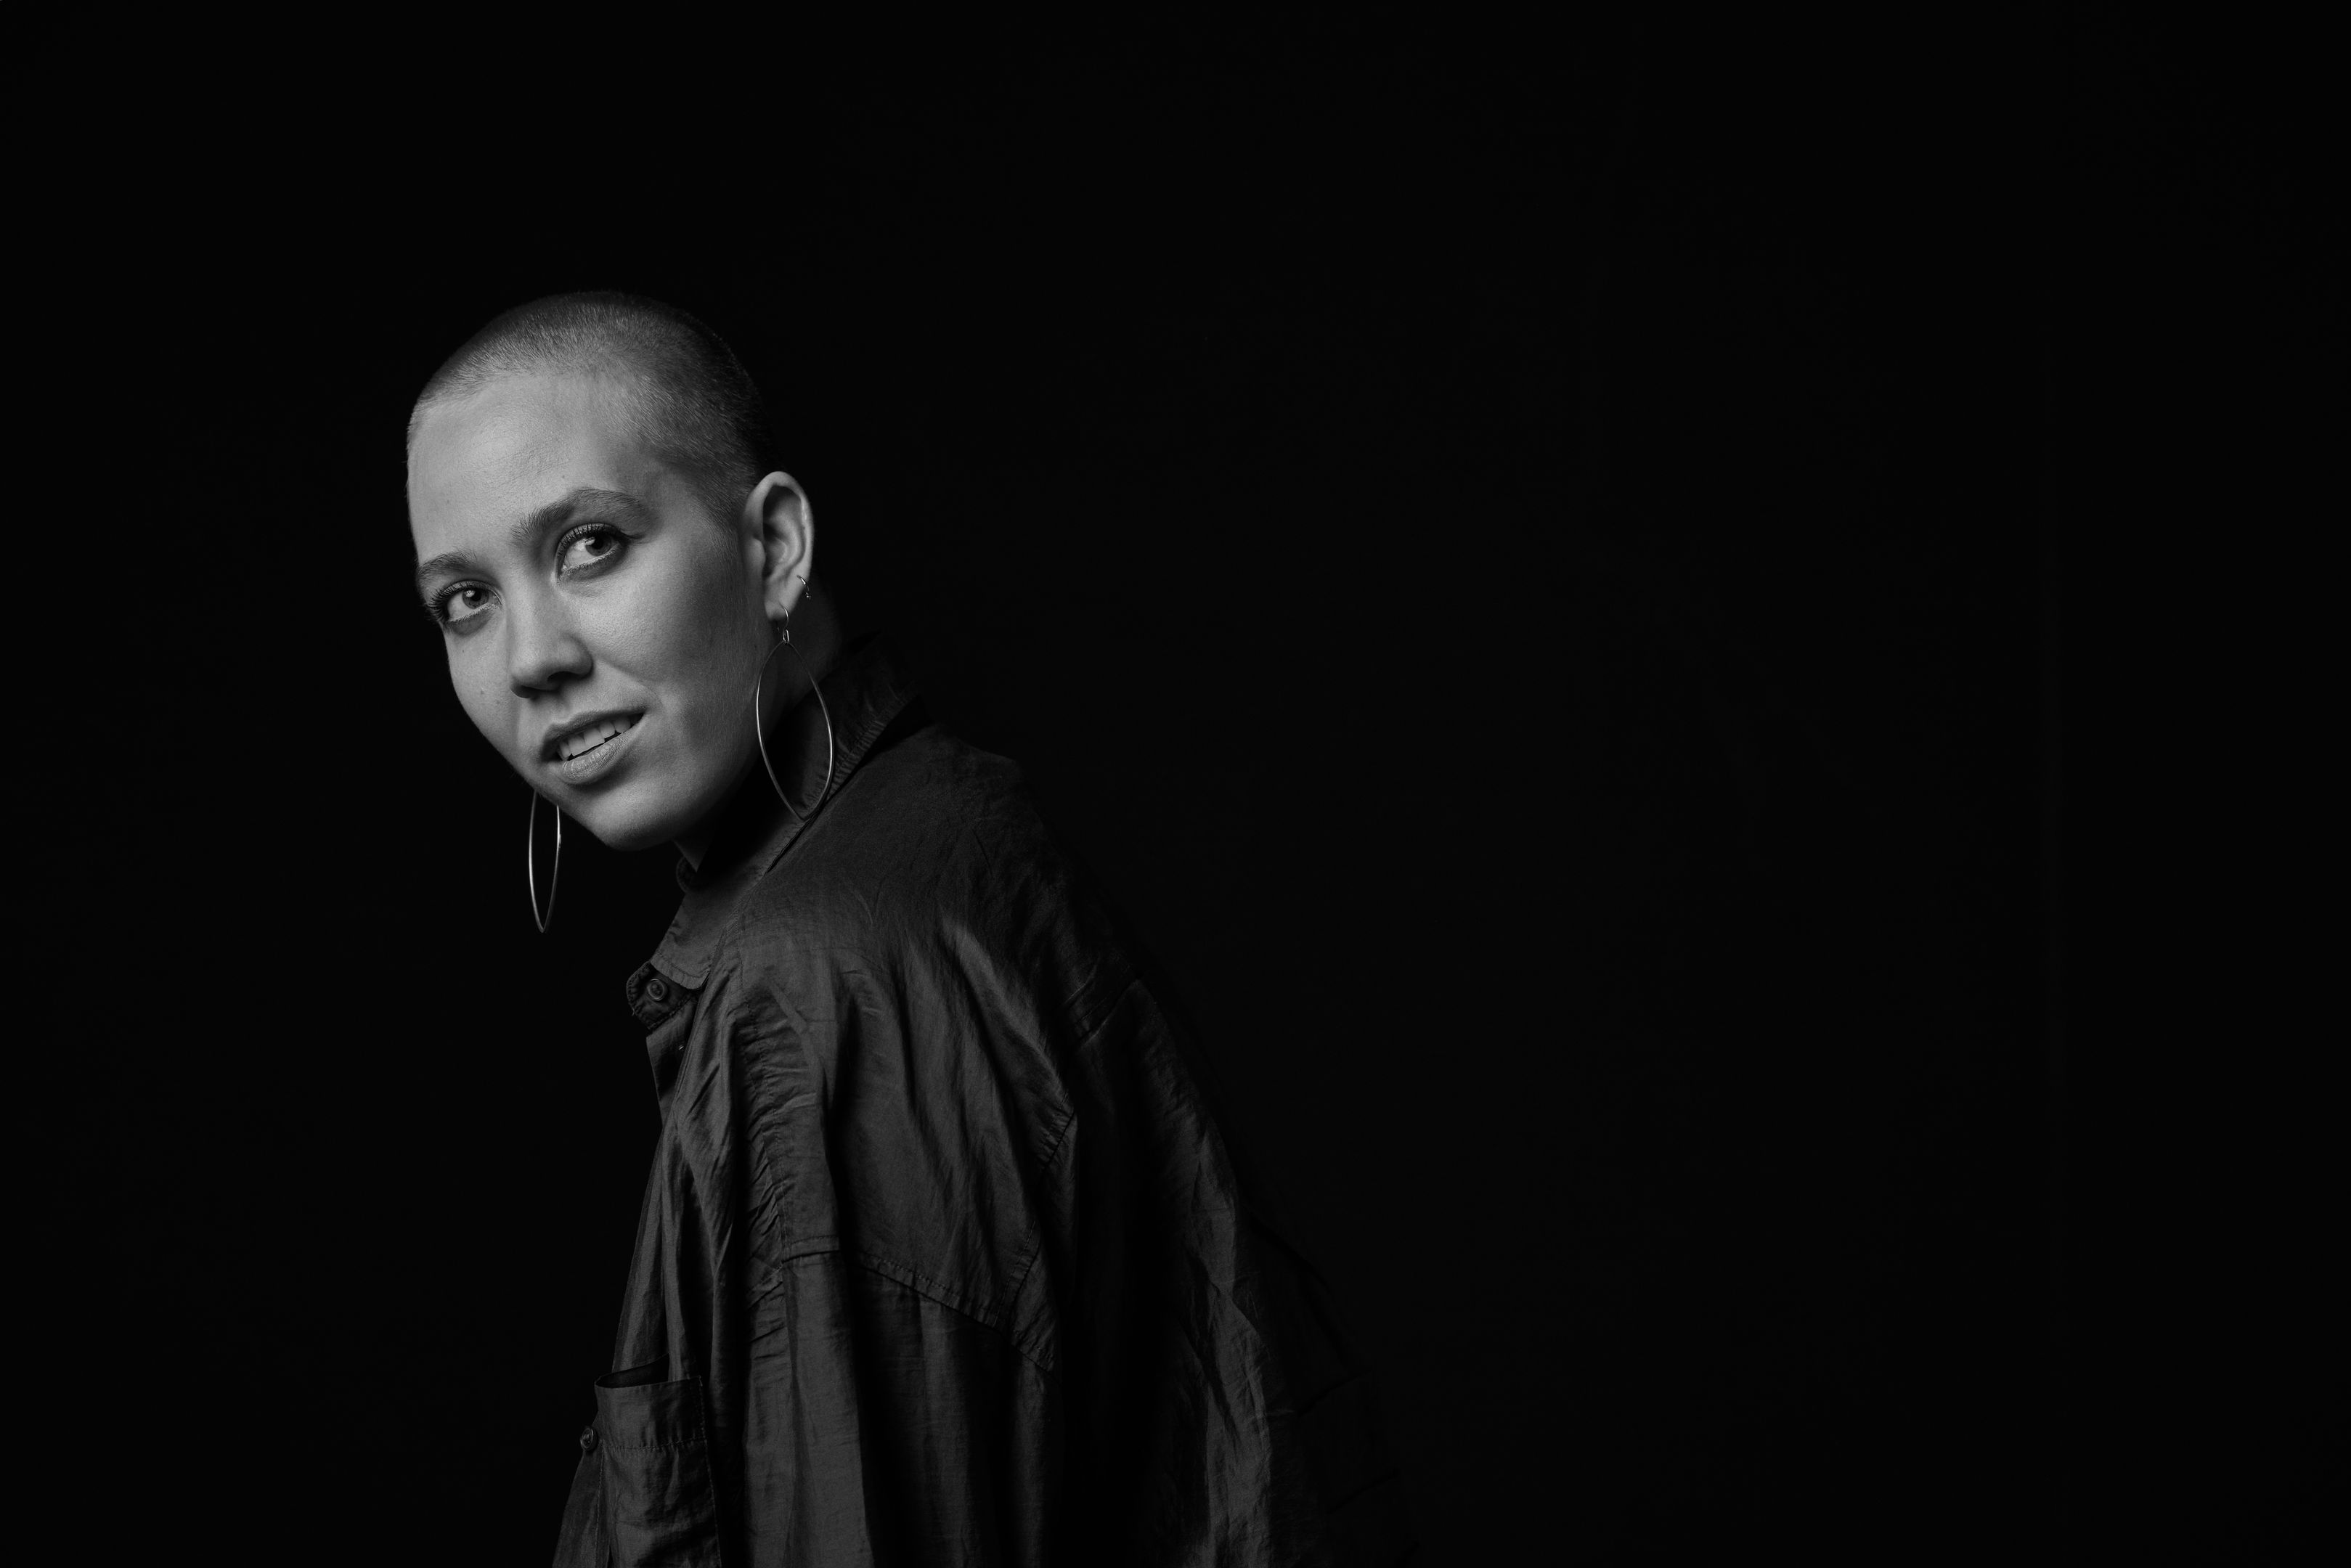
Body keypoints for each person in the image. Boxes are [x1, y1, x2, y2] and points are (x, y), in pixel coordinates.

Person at [405, 293, 1411, 1567]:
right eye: (465, 601)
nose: (529, 658)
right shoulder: (932, 834)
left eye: (591, 545)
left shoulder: (824, 984)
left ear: (774, 547)